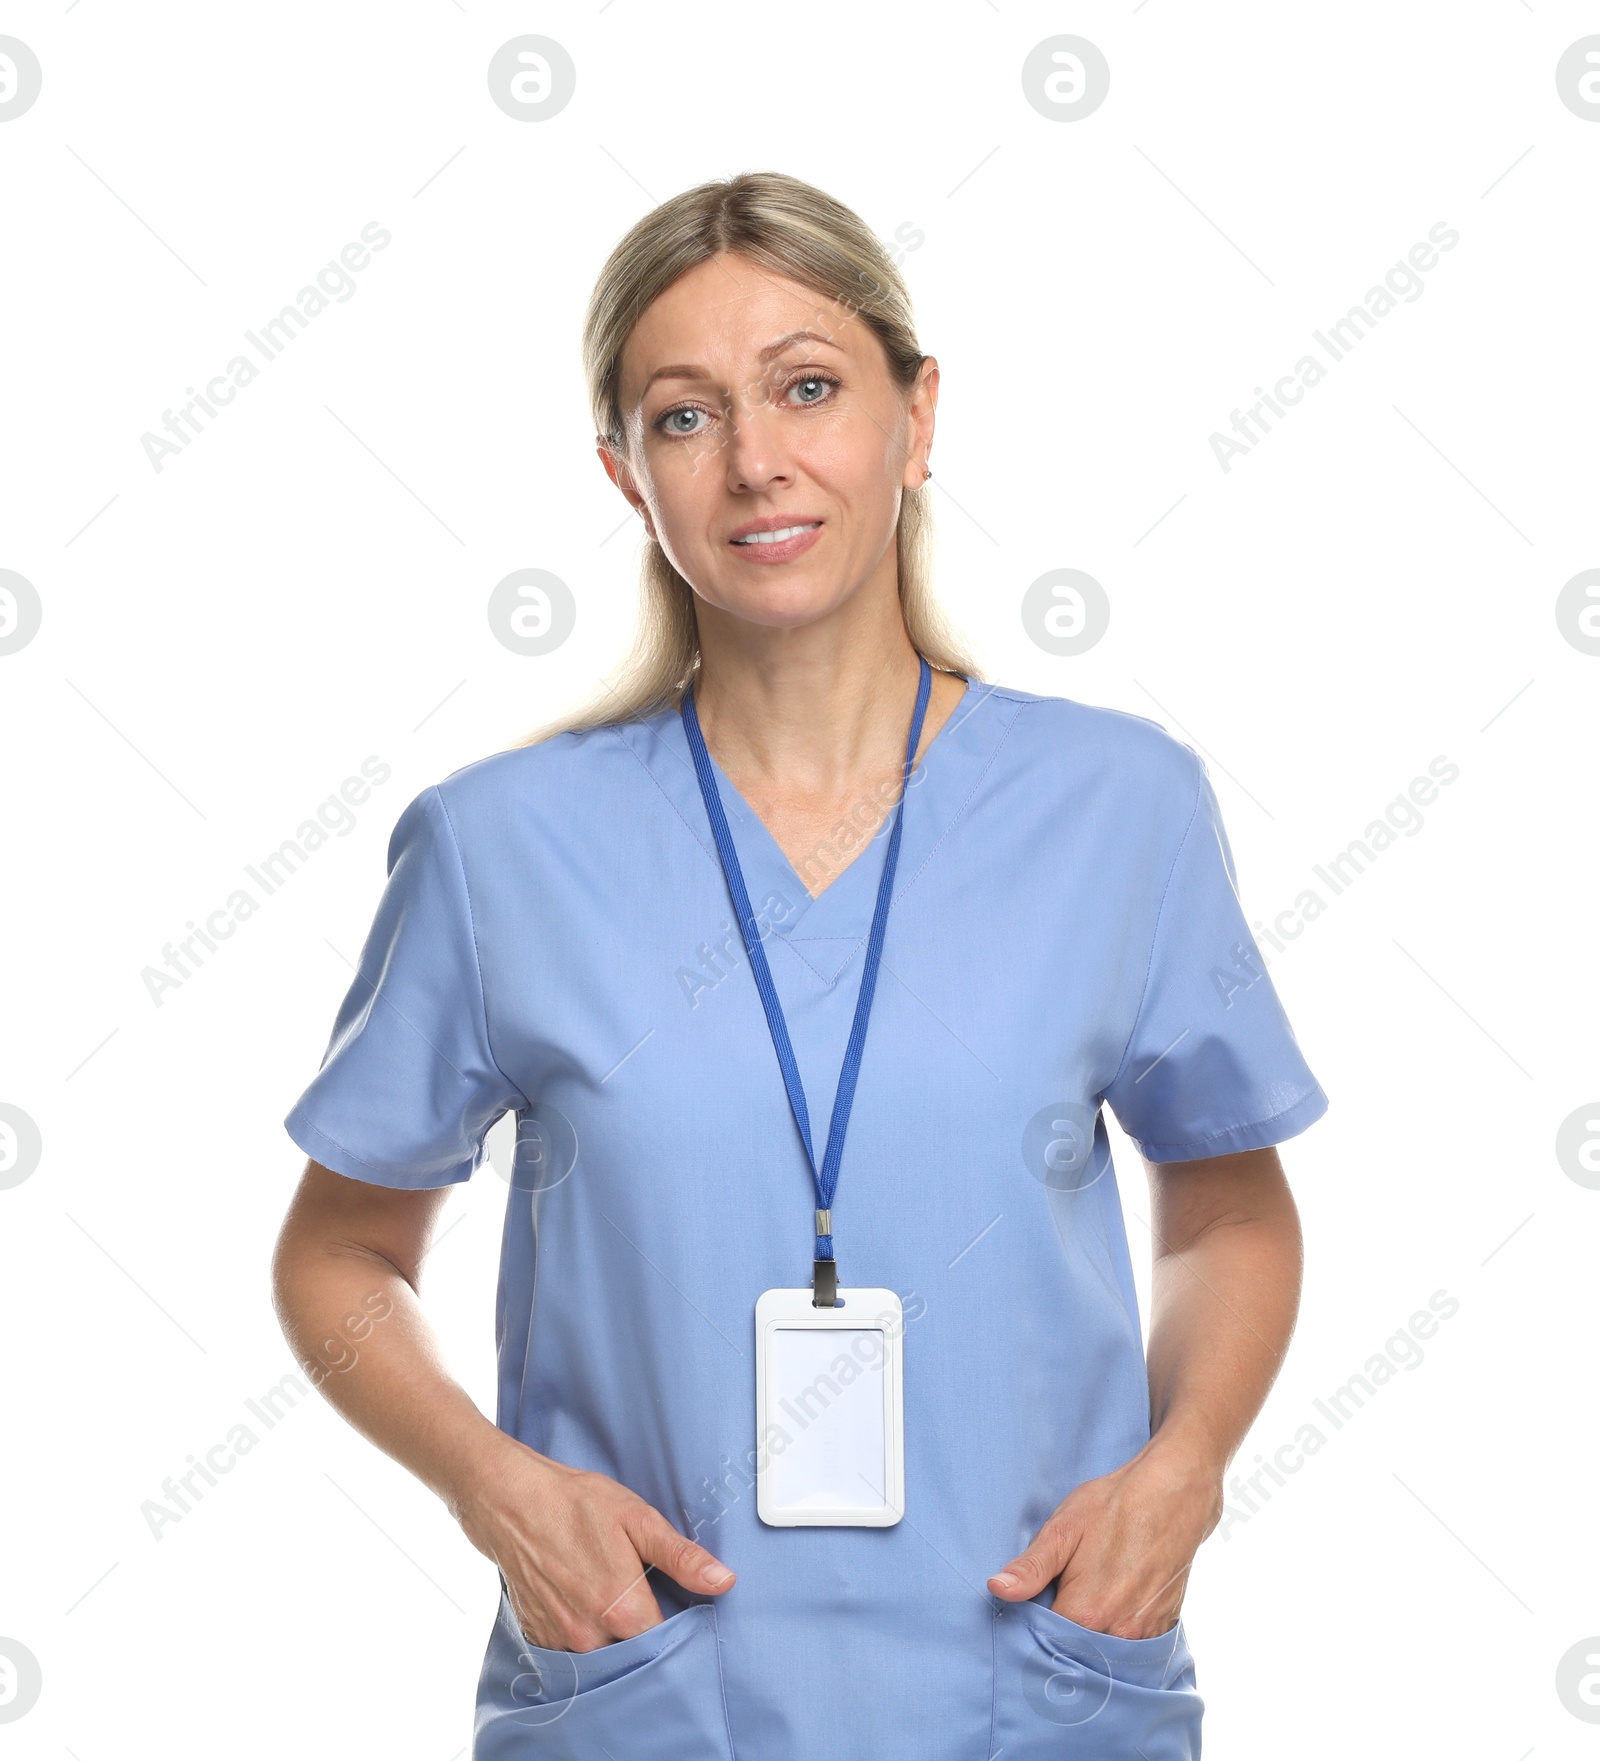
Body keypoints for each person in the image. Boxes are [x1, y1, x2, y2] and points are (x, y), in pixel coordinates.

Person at [273, 170, 1328, 1761]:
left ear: (917, 418)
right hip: (646, 1697)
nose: (757, 459)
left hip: (1038, 1691)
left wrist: (1186, 1466)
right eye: (684, 416)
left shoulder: (1124, 807)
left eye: (809, 388)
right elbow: (338, 1258)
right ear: (627, 475)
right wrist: (496, 1490)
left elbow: (1230, 1202)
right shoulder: (498, 849)